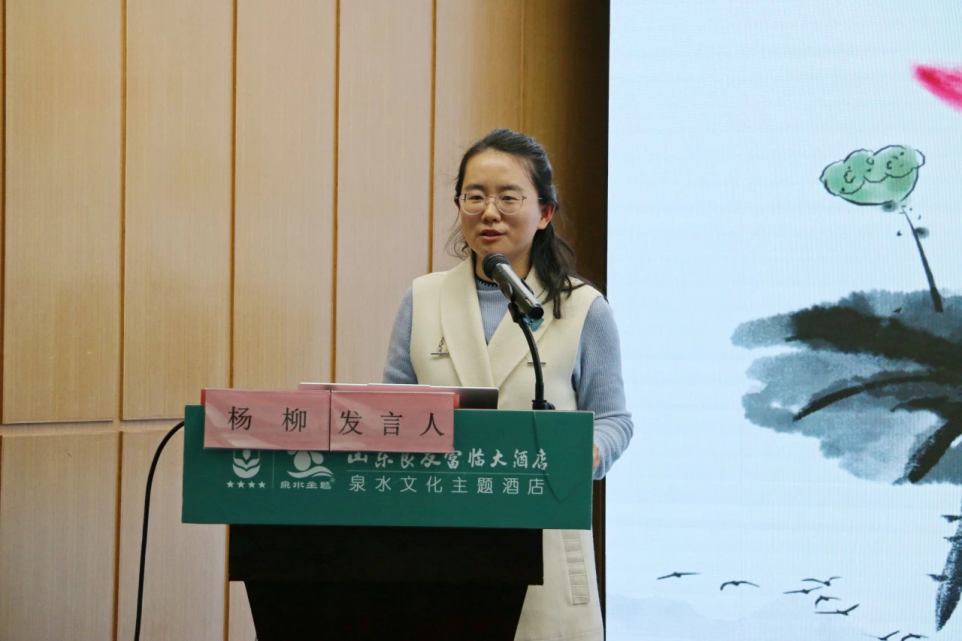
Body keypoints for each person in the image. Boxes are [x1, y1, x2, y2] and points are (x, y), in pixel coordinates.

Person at [383, 128, 633, 641]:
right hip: (440, 534)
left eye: (508, 197)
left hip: (542, 531)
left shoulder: (582, 307)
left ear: (544, 212)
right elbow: (391, 413)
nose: (489, 212)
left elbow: (614, 420)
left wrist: (583, 453)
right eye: (474, 196)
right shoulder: (422, 300)